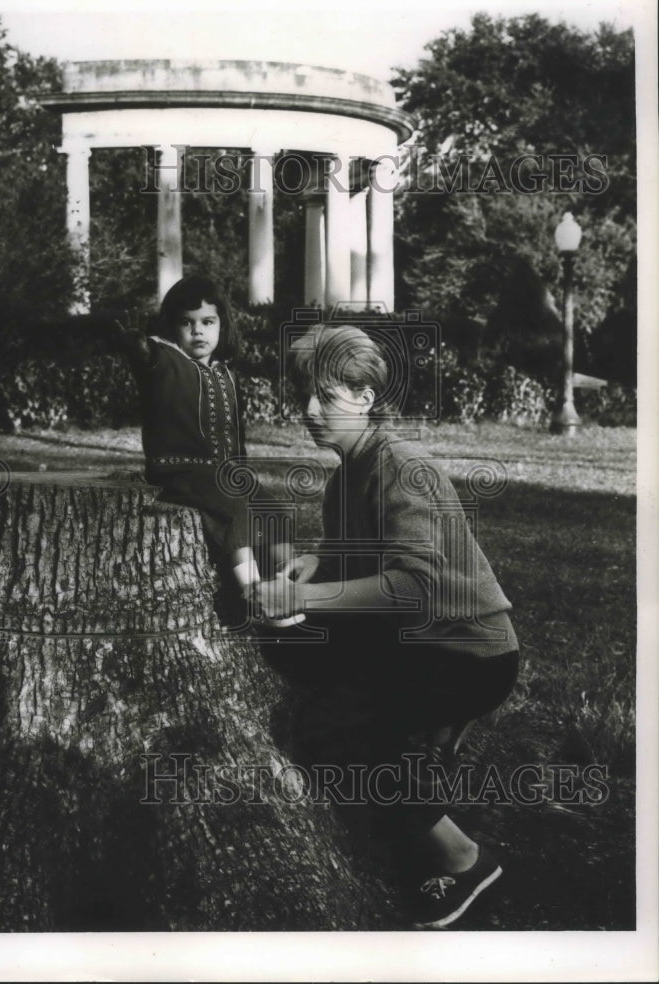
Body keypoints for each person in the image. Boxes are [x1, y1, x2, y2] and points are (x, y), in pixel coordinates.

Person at [257, 323, 520, 928]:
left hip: (468, 654)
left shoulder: (403, 466)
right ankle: (421, 756)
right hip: (413, 641)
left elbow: (414, 587)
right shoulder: (348, 471)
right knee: (289, 647)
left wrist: (310, 595)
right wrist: (318, 560)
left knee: (330, 728)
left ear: (367, 398)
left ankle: (465, 858)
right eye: (303, 395)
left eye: (326, 396)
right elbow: (350, 545)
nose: (308, 410)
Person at [123, 274, 302, 627]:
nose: (198, 331)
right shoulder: (166, 361)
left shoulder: (225, 373)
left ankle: (288, 585)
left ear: (222, 324)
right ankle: (255, 596)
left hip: (225, 473)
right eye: (186, 323)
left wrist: (242, 472)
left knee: (271, 509)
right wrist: (136, 347)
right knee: (235, 509)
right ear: (172, 328)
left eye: (207, 322)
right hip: (181, 472)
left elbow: (235, 432)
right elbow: (147, 360)